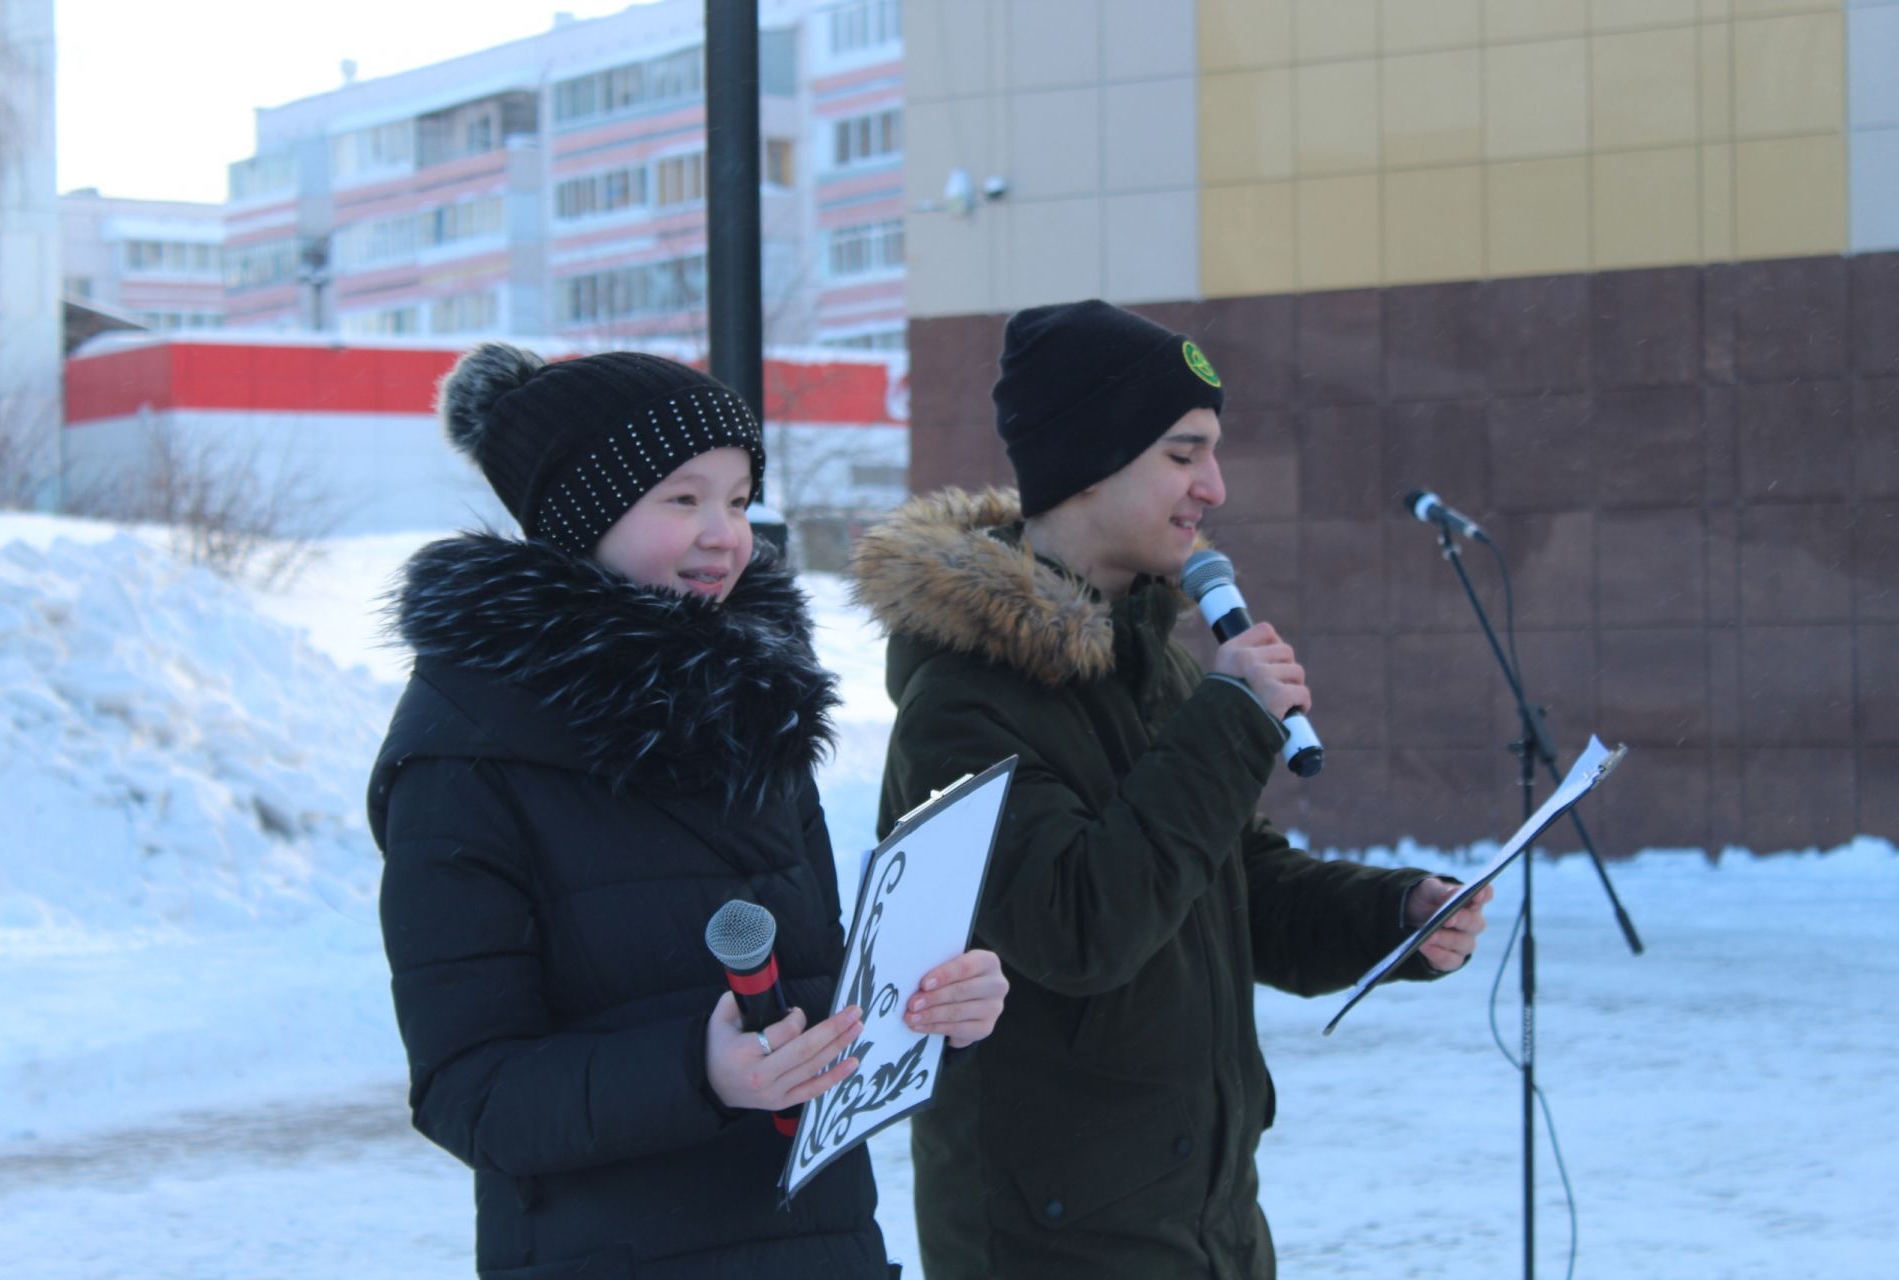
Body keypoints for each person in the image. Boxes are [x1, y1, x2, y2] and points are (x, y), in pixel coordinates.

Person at [850, 300, 1493, 1280]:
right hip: (1055, 1240)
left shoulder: (1163, 672)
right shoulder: (963, 702)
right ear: (1092, 461)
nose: (1215, 488)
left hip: (1207, 1225)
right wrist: (1234, 719)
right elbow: (1078, 925)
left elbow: (1244, 890)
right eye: (1184, 453)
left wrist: (1392, 915)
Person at [369, 342, 1007, 1280]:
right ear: (583, 516)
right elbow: (472, 1093)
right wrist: (696, 1075)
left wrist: (925, 1014)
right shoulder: (465, 752)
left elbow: (814, 1008)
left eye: (740, 499)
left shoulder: (755, 715)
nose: (727, 534)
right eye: (683, 498)